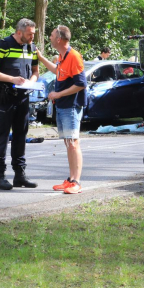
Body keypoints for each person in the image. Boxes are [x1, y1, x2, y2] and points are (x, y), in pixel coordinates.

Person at [0, 18, 39, 191]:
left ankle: (20, 175)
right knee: (1, 136)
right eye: (29, 34)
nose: (32, 37)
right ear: (19, 32)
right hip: (5, 96)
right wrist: (12, 79)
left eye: (33, 34)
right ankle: (0, 176)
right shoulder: (4, 45)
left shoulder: (31, 47)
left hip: (23, 97)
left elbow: (35, 71)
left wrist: (31, 81)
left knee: (20, 135)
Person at [39, 25, 87, 195]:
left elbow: (81, 84)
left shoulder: (74, 56)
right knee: (68, 143)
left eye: (52, 36)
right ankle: (71, 179)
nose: (50, 38)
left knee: (73, 143)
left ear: (59, 39)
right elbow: (56, 71)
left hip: (71, 106)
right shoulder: (61, 56)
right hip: (63, 106)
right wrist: (41, 58)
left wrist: (58, 94)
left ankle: (76, 182)